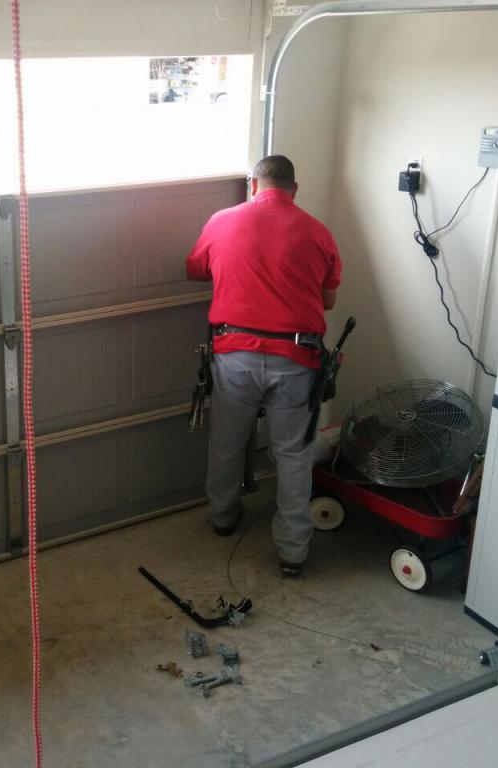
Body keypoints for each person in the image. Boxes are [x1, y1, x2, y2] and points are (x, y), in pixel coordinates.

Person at [185, 155, 342, 578]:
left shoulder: (222, 221)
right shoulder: (319, 232)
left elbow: (195, 268)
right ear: (295, 188)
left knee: (227, 440)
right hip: (297, 359)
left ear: (253, 184)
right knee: (292, 454)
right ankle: (293, 552)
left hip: (235, 353)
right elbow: (327, 301)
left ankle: (222, 518)